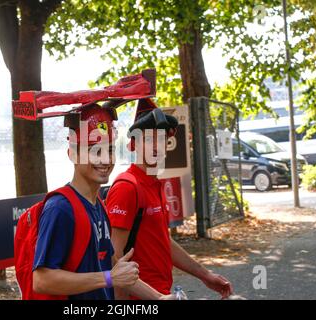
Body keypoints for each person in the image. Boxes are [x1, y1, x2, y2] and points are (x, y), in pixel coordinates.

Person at [32, 104, 173, 300]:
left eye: (109, 150)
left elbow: (115, 268)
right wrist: (107, 278)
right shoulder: (60, 208)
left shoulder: (99, 207)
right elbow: (41, 280)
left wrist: (159, 298)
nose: (105, 159)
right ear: (72, 154)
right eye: (95, 151)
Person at [106, 98, 234, 300]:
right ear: (133, 145)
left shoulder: (154, 184)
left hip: (163, 294)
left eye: (161, 139)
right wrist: (155, 297)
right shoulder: (127, 187)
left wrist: (205, 275)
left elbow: (162, 241)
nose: (156, 146)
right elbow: (112, 256)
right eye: (148, 139)